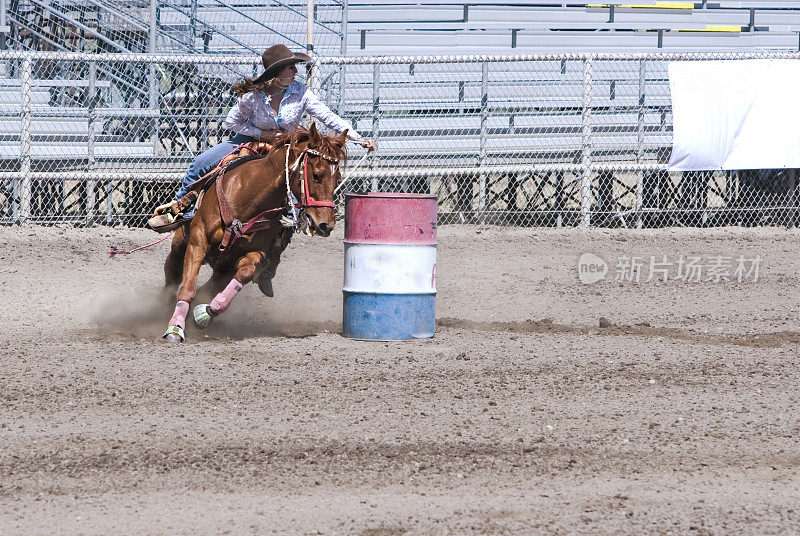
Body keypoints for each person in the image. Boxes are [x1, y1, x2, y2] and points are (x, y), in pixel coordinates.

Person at [156, 43, 375, 296]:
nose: (295, 70)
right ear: (277, 72)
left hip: (284, 151)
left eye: (295, 66)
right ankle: (181, 209)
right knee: (200, 163)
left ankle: (269, 264)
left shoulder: (300, 92)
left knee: (292, 206)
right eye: (290, 67)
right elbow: (232, 121)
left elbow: (327, 116)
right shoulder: (253, 96)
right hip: (248, 141)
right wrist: (263, 133)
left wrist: (357, 138)